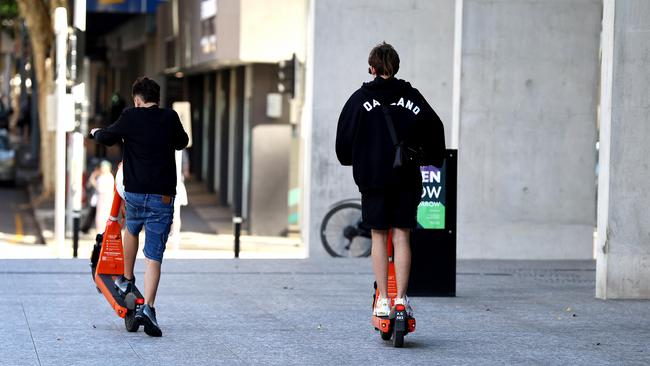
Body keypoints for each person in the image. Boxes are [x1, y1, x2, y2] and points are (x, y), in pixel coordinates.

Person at [336, 42, 446, 318]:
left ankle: (383, 300)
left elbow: (343, 143)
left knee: (378, 235)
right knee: (402, 236)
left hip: (373, 179)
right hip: (406, 178)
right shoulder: (413, 97)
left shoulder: (358, 101)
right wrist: (430, 157)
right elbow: (435, 129)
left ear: (371, 68)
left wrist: (355, 159)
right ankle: (401, 299)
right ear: (396, 67)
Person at [91, 76, 189, 337]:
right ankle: (150, 307)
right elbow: (182, 142)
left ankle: (126, 280)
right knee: (154, 255)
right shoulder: (170, 117)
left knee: (131, 230)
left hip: (134, 193)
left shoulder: (130, 116)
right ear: (157, 98)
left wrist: (94, 133)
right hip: (163, 197)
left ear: (137, 99)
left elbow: (107, 137)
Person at [94, 161, 115, 233]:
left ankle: (105, 231)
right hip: (101, 198)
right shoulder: (101, 176)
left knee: (105, 215)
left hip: (106, 199)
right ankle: (100, 231)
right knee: (99, 215)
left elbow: (103, 189)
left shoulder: (109, 177)